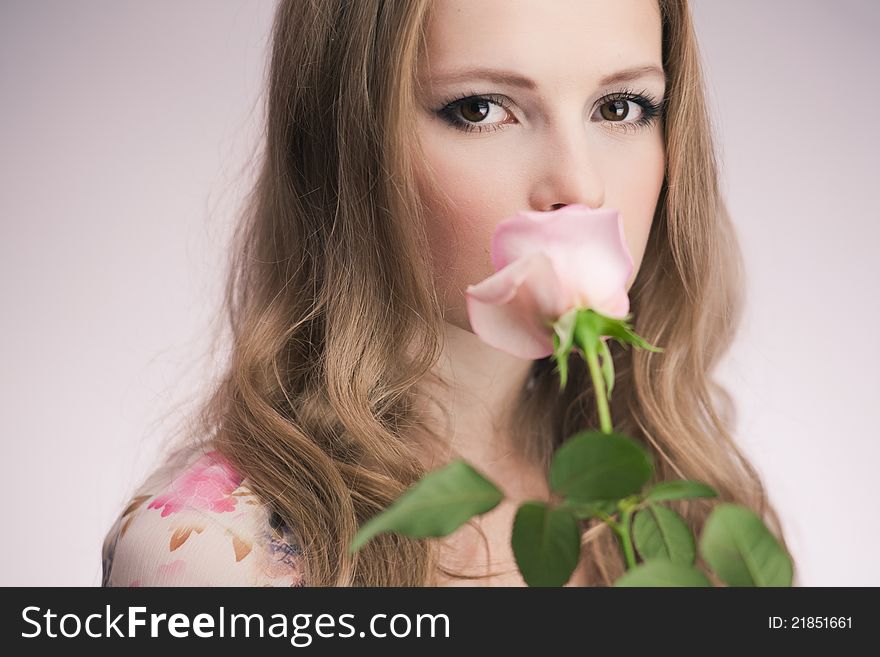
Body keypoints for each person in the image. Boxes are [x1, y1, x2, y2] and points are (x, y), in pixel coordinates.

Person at [102, 0, 795, 587]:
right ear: (347, 141)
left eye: (621, 106)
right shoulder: (213, 557)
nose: (579, 186)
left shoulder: (701, 521)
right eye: (481, 108)